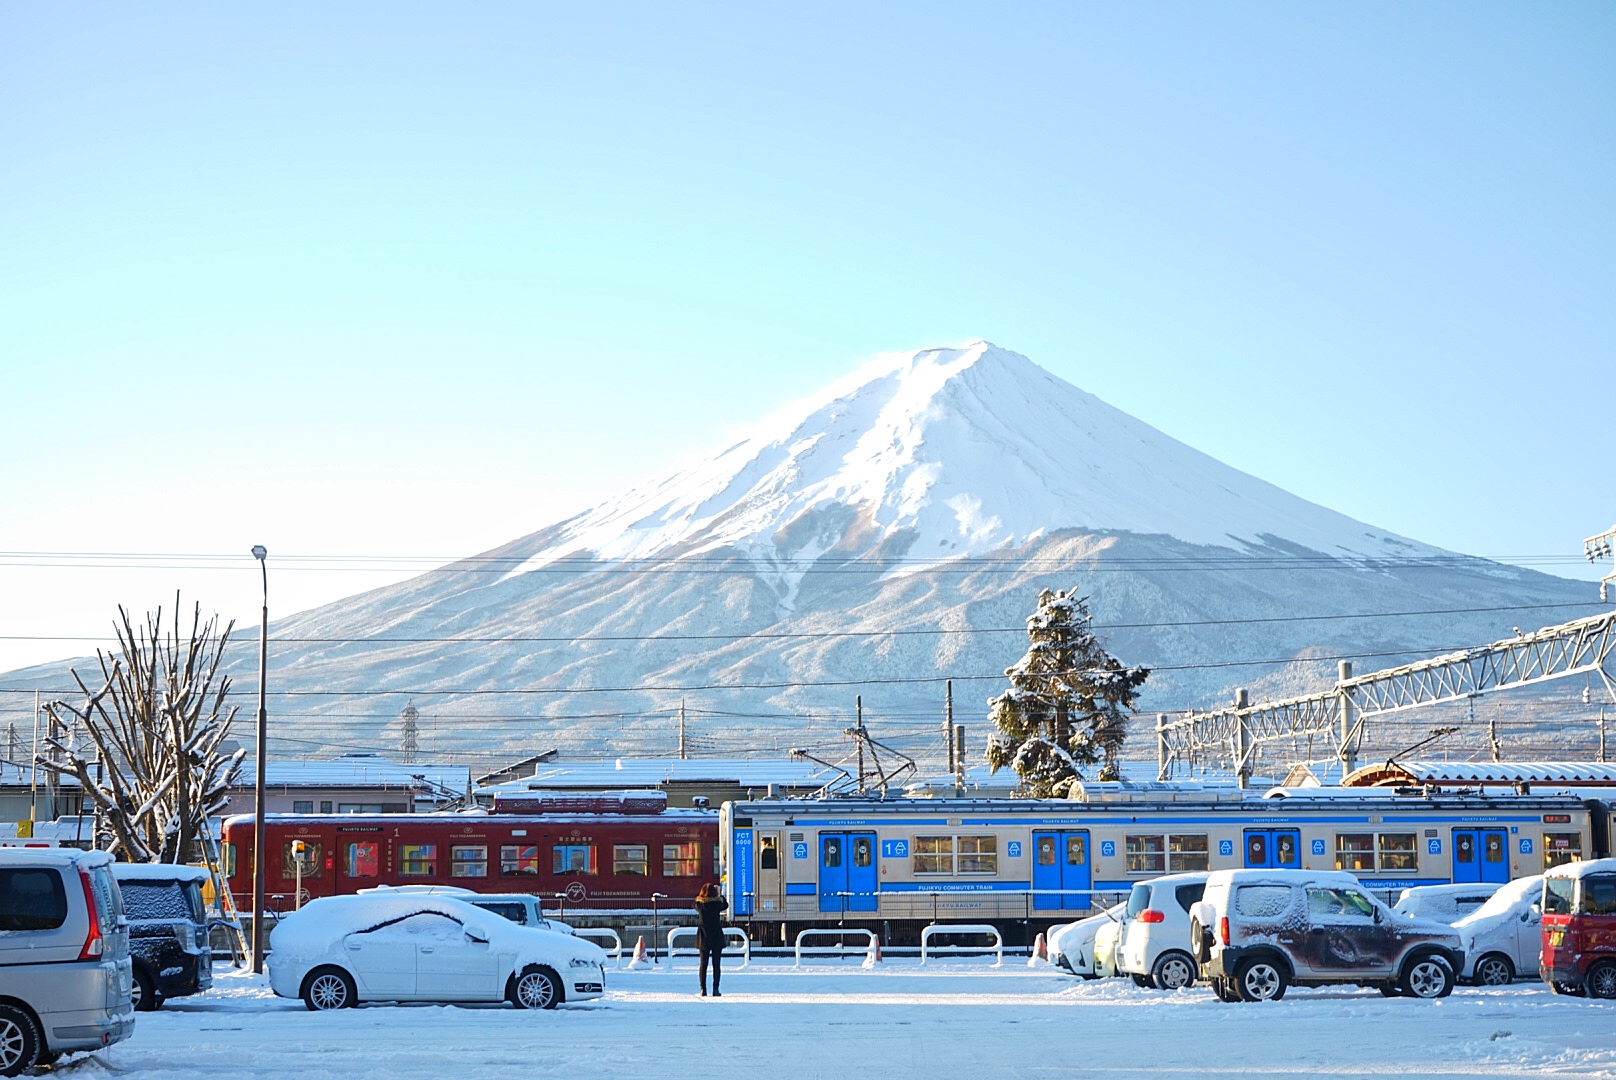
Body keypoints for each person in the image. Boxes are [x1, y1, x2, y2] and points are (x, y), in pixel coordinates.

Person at [694, 882, 728, 997]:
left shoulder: (700, 905)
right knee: (716, 965)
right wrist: (720, 895)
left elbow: (694, 903)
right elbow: (725, 904)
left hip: (704, 937)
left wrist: (701, 896)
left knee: (703, 965)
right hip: (716, 937)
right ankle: (716, 989)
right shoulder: (717, 904)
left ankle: (703, 989)